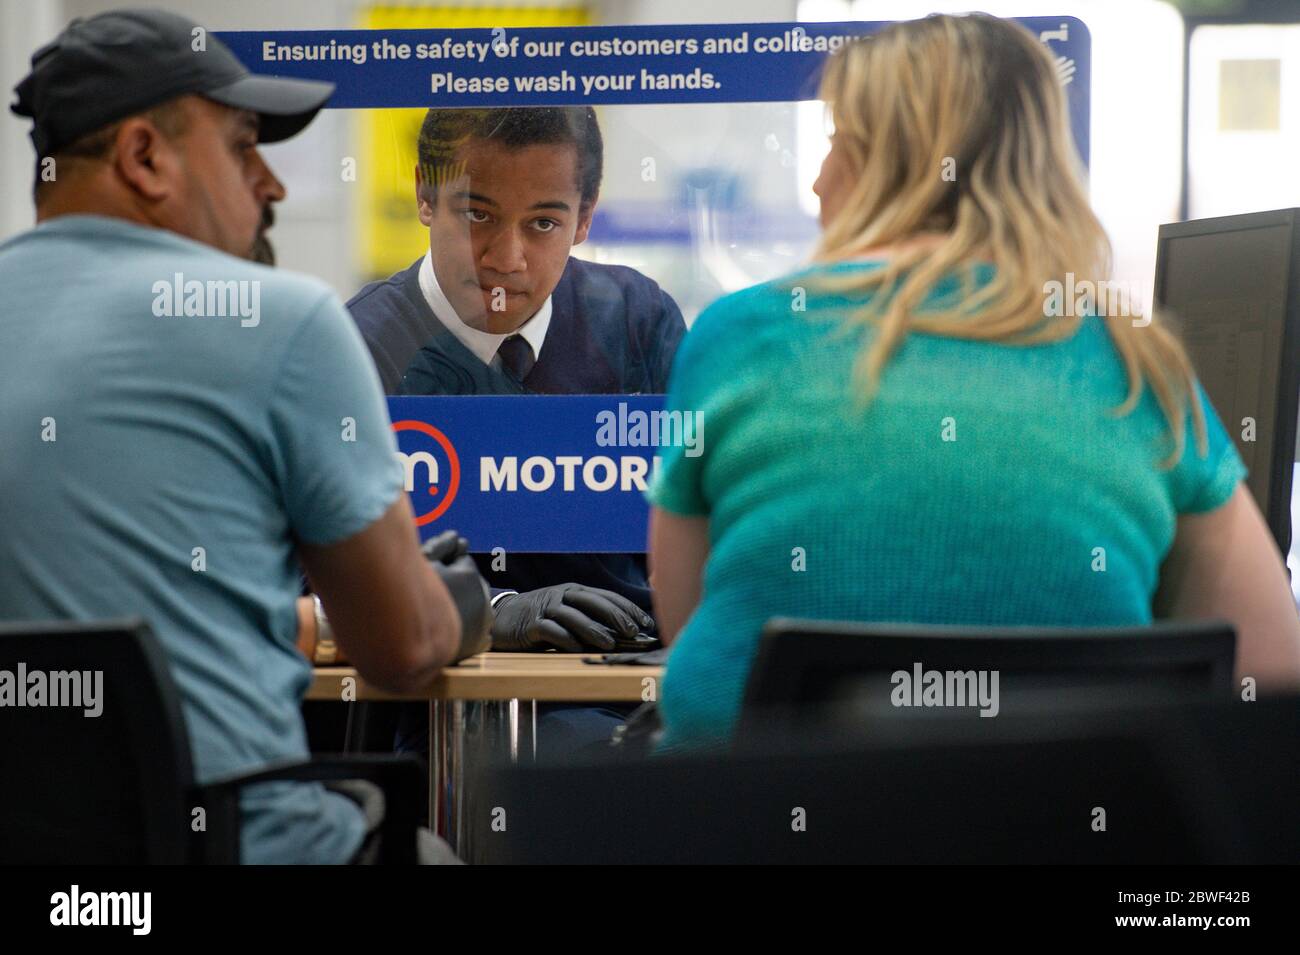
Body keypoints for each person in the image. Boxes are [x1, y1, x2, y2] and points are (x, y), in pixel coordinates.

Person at [646, 13, 1300, 752]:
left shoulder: (739, 337)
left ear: (874, 161)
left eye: (835, 143)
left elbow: (688, 621)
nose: (817, 177)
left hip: (748, 829)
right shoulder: (1135, 362)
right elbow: (1268, 671)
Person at [0, 9, 487, 863]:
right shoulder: (279, 318)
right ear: (144, 157)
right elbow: (402, 647)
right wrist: (464, 605)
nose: (273, 184)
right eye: (240, 146)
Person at [348, 106, 685, 752]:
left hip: (631, 707)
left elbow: (703, 524)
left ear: (585, 219)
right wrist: (492, 609)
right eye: (476, 214)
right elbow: (319, 584)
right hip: (440, 720)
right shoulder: (358, 349)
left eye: (544, 223)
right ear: (424, 193)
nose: (505, 258)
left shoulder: (638, 322)